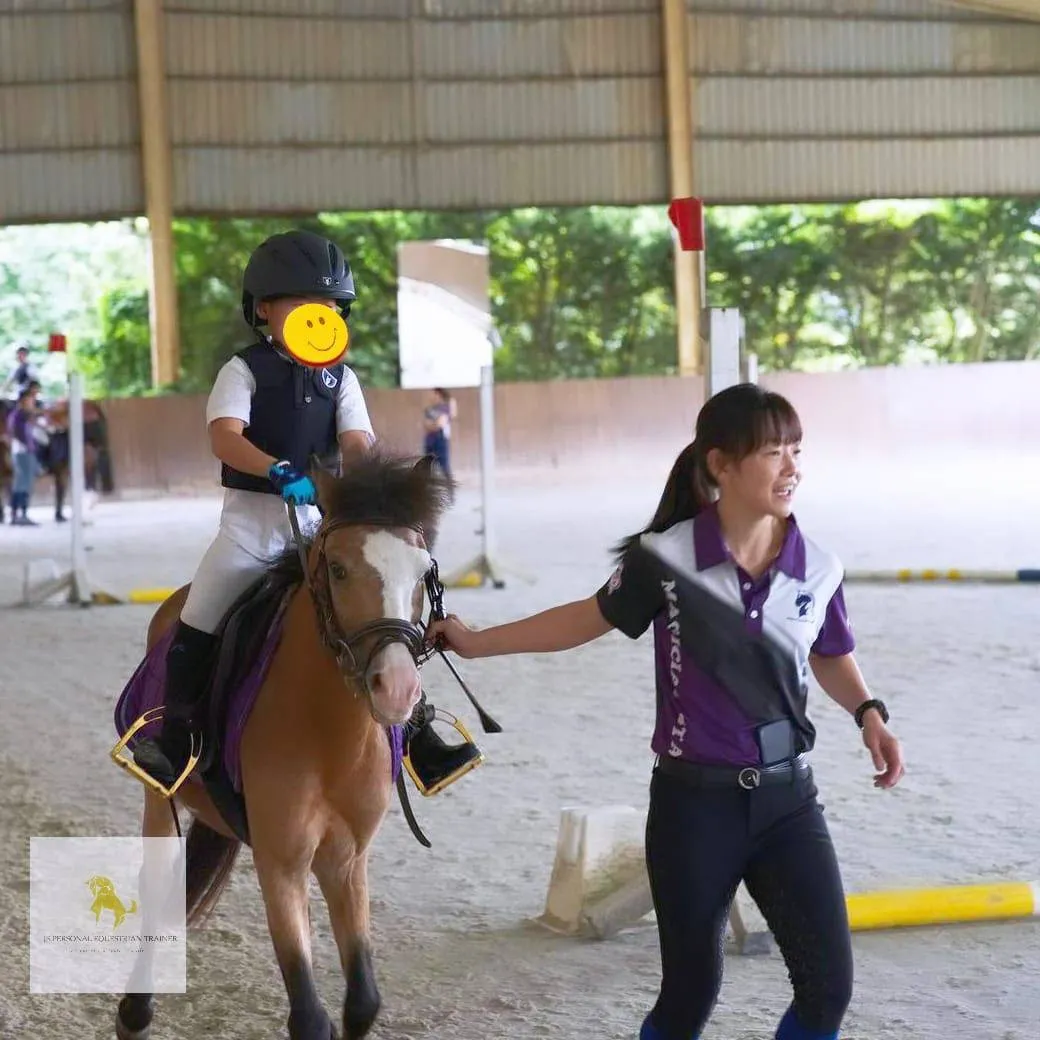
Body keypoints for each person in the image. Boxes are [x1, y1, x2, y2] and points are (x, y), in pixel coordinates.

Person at [428, 383, 905, 1040]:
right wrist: (479, 644)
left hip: (789, 804)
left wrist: (868, 712)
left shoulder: (818, 566)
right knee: (689, 994)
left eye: (797, 450)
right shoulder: (668, 556)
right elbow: (587, 618)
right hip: (693, 807)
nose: (793, 467)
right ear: (721, 464)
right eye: (773, 452)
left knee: (829, 989)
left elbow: (829, 652)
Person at [131, 229, 482, 794]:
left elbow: (358, 444)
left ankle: (417, 731)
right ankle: (177, 739)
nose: (315, 315)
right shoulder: (241, 371)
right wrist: (278, 470)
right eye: (300, 304)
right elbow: (225, 438)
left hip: (318, 531)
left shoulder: (341, 378)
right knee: (199, 621)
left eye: (326, 307)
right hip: (249, 533)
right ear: (265, 309)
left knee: (384, 609)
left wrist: (371, 489)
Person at [6, 383, 42, 525]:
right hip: (23, 452)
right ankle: (19, 514)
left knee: (24, 483)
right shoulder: (19, 415)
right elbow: (18, 434)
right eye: (29, 400)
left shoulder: (24, 416)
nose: (31, 402)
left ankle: (20, 513)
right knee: (22, 483)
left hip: (26, 450)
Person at [422, 387, 455, 488]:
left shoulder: (445, 408)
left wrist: (433, 425)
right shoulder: (429, 409)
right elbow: (426, 425)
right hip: (430, 440)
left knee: (444, 466)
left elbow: (440, 424)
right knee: (427, 466)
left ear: (439, 395)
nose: (432, 397)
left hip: (440, 440)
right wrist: (433, 425)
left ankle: (449, 490)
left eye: (434, 394)